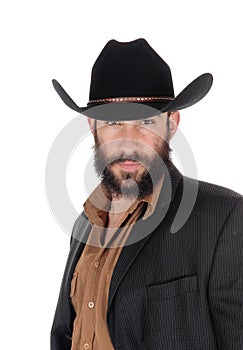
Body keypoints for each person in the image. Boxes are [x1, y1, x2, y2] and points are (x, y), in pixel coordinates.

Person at [50, 39, 243, 350]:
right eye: (113, 122)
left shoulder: (224, 218)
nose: (129, 141)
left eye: (144, 122)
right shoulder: (84, 226)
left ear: (172, 124)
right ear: (92, 126)